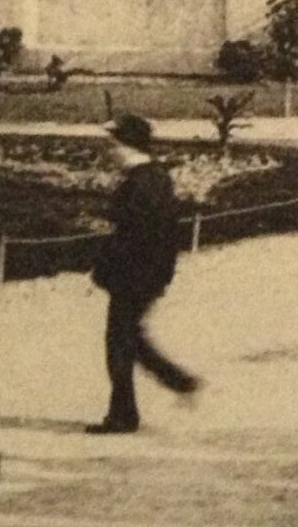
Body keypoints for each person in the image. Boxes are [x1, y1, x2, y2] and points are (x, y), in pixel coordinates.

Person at [87, 114, 199, 436]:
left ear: (126, 145)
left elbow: (140, 236)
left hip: (135, 275)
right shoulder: (150, 176)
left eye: (113, 144)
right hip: (143, 274)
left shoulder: (142, 182)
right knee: (128, 338)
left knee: (120, 342)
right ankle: (177, 382)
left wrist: (109, 269)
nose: (109, 151)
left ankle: (124, 416)